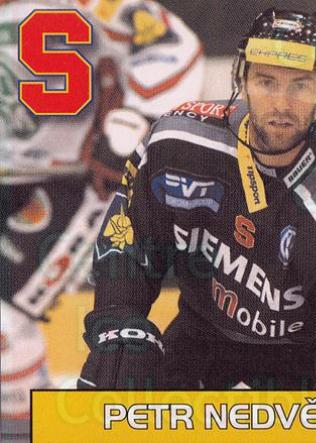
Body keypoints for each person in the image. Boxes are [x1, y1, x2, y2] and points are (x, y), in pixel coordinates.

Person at [79, 8, 316, 391]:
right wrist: (120, 317)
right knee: (112, 371)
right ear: (242, 78)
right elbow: (129, 239)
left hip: (307, 362)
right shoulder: (178, 144)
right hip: (202, 341)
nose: (281, 104)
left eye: (300, 84)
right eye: (266, 81)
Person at [0, 0, 204, 429]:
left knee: (4, 324)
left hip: (75, 184)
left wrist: (132, 125)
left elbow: (173, 47)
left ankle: (28, 429)